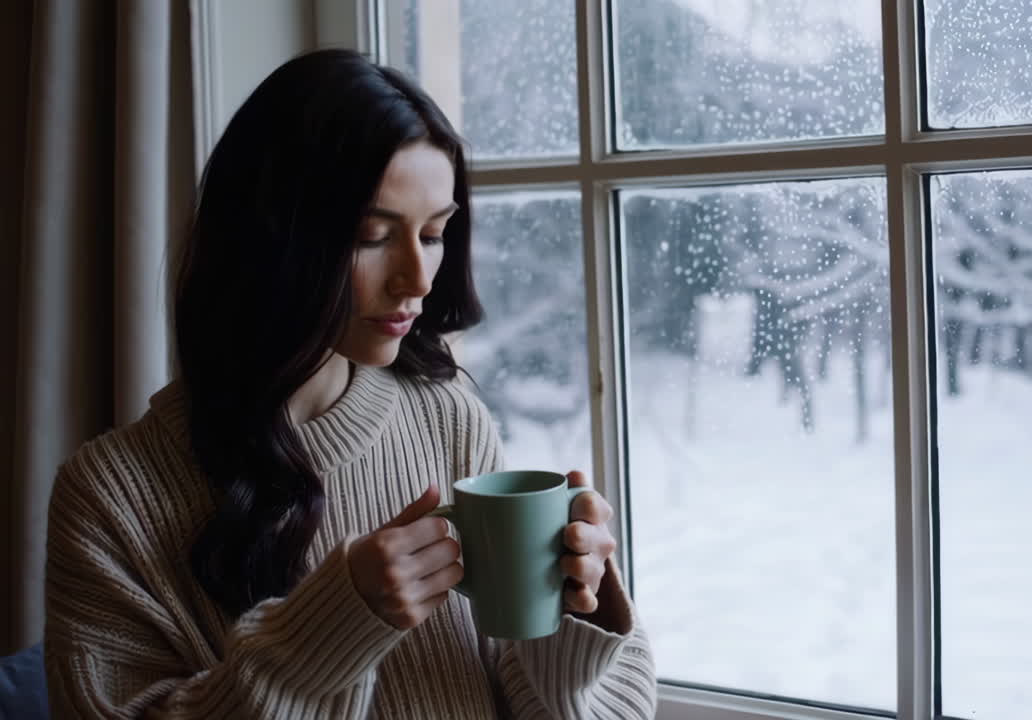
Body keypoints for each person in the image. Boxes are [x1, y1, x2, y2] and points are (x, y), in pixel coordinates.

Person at [42, 48, 657, 719]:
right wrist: (334, 625)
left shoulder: (445, 416)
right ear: (270, 237)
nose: (417, 279)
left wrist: (574, 613)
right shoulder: (108, 498)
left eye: (433, 234)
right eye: (372, 236)